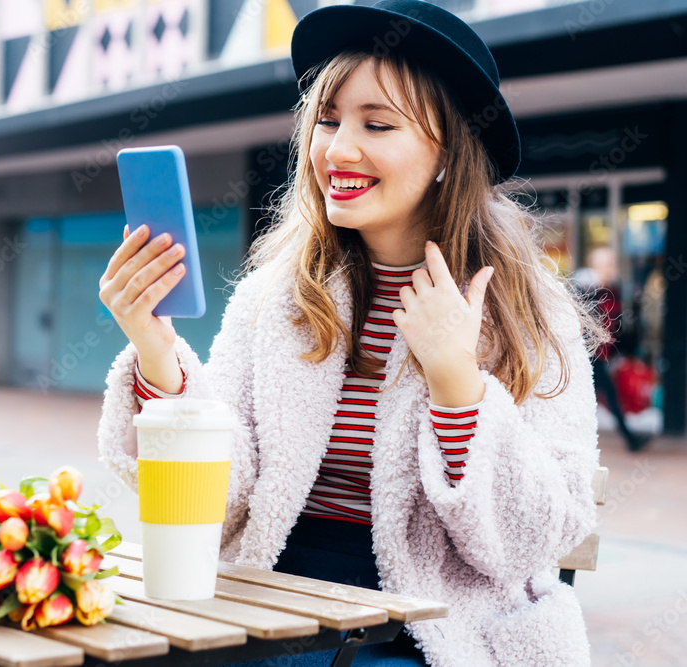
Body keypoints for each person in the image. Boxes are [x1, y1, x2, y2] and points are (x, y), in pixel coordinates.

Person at [97, 2, 610, 664]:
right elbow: (220, 507)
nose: (337, 149)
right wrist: (154, 349)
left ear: (450, 153)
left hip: (438, 627)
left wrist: (457, 381)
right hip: (274, 603)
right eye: (329, 121)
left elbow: (532, 538)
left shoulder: (526, 307)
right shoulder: (273, 298)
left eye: (377, 123)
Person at [573, 247, 650, 452]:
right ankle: (629, 439)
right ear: (597, 266)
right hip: (586, 354)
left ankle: (628, 439)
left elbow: (614, 325)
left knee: (594, 398)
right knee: (603, 396)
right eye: (609, 263)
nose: (613, 268)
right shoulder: (586, 289)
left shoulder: (610, 290)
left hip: (596, 354)